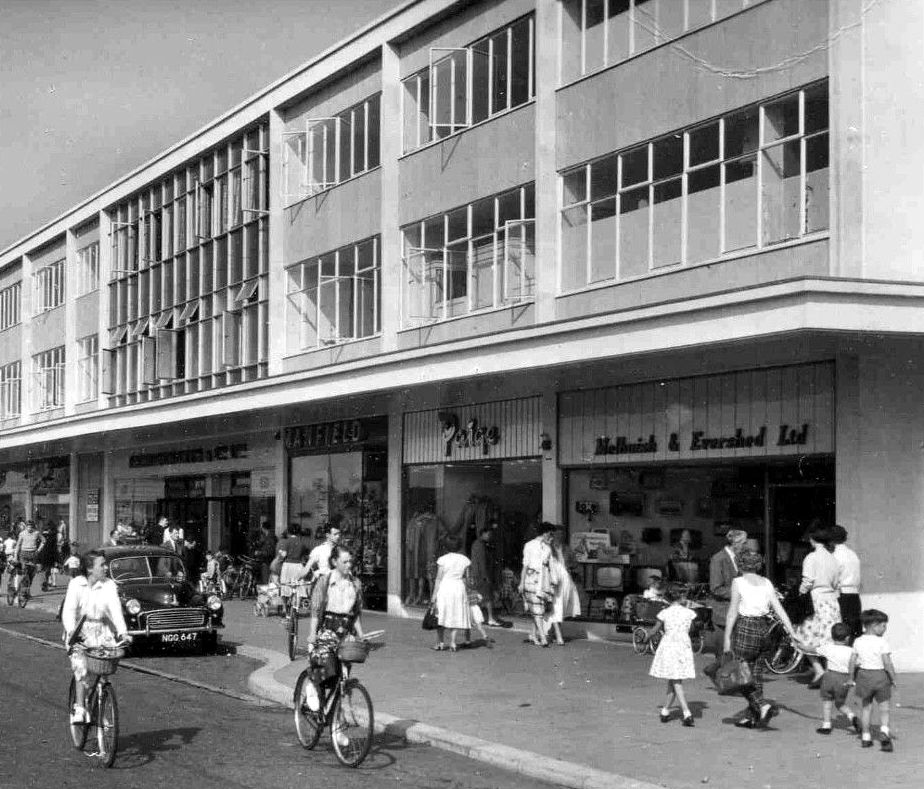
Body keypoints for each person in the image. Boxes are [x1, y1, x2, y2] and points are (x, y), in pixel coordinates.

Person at [723, 550, 800, 729]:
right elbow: (779, 610)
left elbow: (732, 612)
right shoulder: (766, 582)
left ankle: (762, 705)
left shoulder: (738, 582)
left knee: (740, 673)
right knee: (756, 675)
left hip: (746, 628)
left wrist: (727, 637)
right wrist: (791, 631)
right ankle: (753, 717)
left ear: (740, 564)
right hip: (764, 629)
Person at [302, 546, 365, 747]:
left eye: (350, 561)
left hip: (345, 633)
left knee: (342, 682)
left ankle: (337, 730)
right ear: (334, 561)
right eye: (344, 561)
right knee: (328, 669)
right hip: (327, 630)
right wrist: (312, 634)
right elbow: (316, 610)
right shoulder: (325, 581)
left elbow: (356, 613)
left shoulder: (355, 583)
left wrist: (361, 635)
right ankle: (312, 685)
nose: (348, 565)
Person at [61, 550, 131, 724]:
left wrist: (123, 632)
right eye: (102, 565)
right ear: (90, 568)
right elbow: (68, 611)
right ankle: (79, 707)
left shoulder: (109, 585)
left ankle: (99, 709)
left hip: (102, 630)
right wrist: (72, 633)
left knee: (103, 670)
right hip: (80, 631)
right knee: (81, 668)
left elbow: (115, 610)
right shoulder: (77, 584)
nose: (106, 568)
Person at [794, 524, 843, 686]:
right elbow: (837, 583)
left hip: (816, 600)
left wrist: (800, 592)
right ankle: (829, 671)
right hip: (832, 602)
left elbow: (808, 580)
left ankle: (818, 669)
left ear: (813, 539)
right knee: (829, 638)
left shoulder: (811, 557)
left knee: (804, 635)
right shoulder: (833, 559)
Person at [648, 583, 698, 726]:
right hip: (682, 646)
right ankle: (682, 712)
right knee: (676, 679)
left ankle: (672, 711)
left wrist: (647, 636)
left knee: (674, 680)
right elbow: (692, 629)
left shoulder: (665, 612)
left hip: (669, 646)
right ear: (681, 597)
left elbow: (654, 630)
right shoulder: (688, 613)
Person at [847, 609, 897, 751]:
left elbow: (852, 661)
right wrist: (893, 678)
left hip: (863, 676)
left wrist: (851, 678)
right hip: (880, 676)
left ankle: (866, 737)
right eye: (883, 626)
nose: (885, 629)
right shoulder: (882, 642)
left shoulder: (858, 641)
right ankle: (884, 731)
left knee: (866, 708)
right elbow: (887, 662)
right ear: (875, 626)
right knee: (884, 708)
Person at [814, 622, 861, 735]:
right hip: (843, 679)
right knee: (840, 703)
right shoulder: (851, 651)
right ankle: (852, 716)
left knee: (827, 702)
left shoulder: (828, 648)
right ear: (847, 638)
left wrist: (799, 645)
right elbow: (858, 663)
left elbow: (812, 650)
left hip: (829, 677)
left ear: (832, 637)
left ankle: (826, 725)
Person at [707, 528, 748, 655]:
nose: (745, 546)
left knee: (736, 654)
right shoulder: (718, 559)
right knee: (724, 655)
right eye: (744, 543)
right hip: (723, 614)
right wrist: (740, 593)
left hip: (738, 613)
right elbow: (716, 588)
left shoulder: (738, 558)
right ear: (735, 543)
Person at [518, 522, 557, 647]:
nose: (551, 537)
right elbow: (525, 565)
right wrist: (521, 583)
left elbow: (551, 565)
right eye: (550, 534)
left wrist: (552, 581)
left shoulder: (548, 548)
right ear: (544, 533)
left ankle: (533, 635)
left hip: (544, 581)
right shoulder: (529, 545)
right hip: (531, 579)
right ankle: (543, 636)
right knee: (537, 609)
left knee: (539, 608)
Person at [430, 536, 472, 652]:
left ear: (446, 546)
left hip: (445, 588)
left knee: (441, 614)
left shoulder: (442, 559)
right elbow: (467, 579)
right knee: (455, 613)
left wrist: (434, 596)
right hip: (458, 588)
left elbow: (438, 578)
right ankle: (453, 643)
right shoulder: (465, 560)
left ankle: (440, 643)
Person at [547, 529, 581, 645]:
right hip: (554, 580)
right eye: (557, 534)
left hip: (566, 581)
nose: (559, 536)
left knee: (561, 608)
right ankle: (558, 635)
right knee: (556, 607)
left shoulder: (567, 549)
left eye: (561, 535)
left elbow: (575, 563)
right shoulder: (549, 549)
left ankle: (551, 633)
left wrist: (569, 567)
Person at [830, 524, 862, 640]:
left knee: (841, 631)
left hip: (842, 594)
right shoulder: (852, 554)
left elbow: (833, 578)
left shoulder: (834, 556)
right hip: (854, 595)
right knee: (854, 630)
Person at [469, 525, 501, 627]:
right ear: (483, 534)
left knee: (478, 597)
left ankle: (475, 618)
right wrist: (485, 576)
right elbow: (481, 562)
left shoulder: (478, 544)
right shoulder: (480, 545)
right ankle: (490, 618)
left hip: (477, 574)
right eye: (488, 534)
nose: (489, 536)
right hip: (481, 575)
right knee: (487, 598)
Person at [14, 520, 45, 596]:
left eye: (31, 527)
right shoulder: (22, 534)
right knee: (25, 572)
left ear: (33, 527)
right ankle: (23, 591)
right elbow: (18, 545)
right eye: (28, 526)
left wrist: (39, 550)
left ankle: (28, 589)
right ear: (26, 527)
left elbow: (44, 541)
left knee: (32, 573)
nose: (29, 528)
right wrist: (15, 556)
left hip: (33, 554)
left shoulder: (36, 533)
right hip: (24, 554)